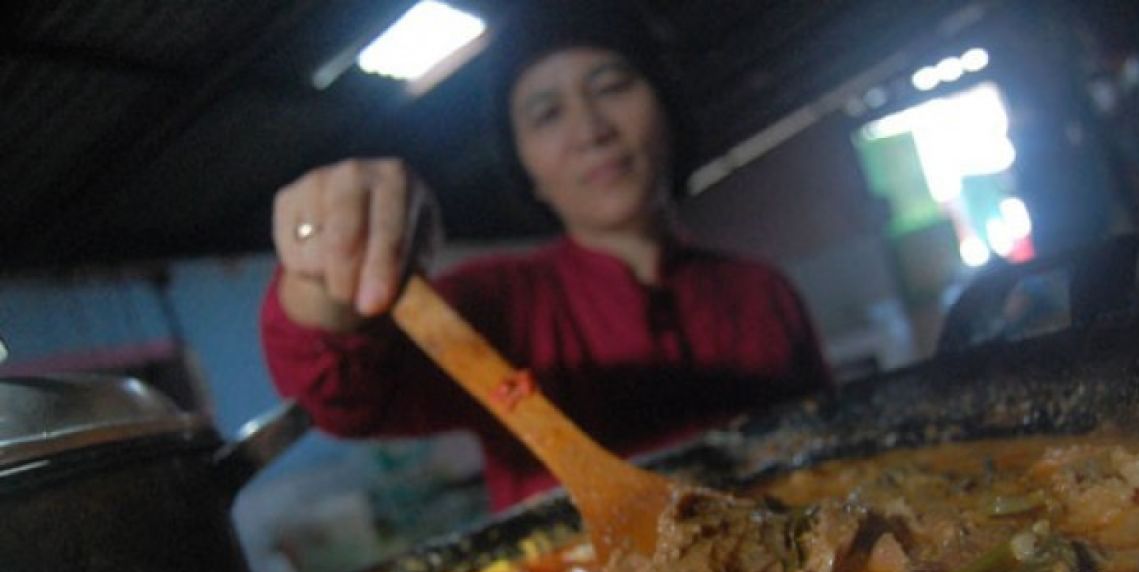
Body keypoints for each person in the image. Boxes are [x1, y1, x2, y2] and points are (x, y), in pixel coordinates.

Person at [261, 0, 831, 512]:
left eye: (611, 86)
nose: (590, 130)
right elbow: (338, 393)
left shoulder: (765, 293)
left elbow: (842, 447)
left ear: (666, 110)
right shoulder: (496, 305)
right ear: (527, 169)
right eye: (546, 113)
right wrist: (328, 258)